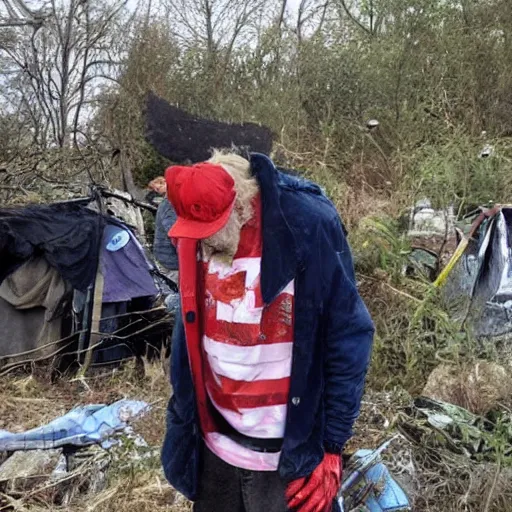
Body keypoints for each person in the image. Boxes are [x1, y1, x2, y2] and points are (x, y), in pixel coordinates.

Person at [161, 150, 374, 512]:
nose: (204, 242)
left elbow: (348, 337)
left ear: (243, 202)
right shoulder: (196, 235)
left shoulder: (307, 226)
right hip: (216, 448)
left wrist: (332, 446)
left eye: (212, 228)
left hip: (285, 458)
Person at [148, 176, 179, 283]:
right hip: (172, 260)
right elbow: (174, 233)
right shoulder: (169, 204)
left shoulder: (169, 203)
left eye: (158, 187)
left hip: (166, 257)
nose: (157, 191)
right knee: (179, 294)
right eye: (156, 190)